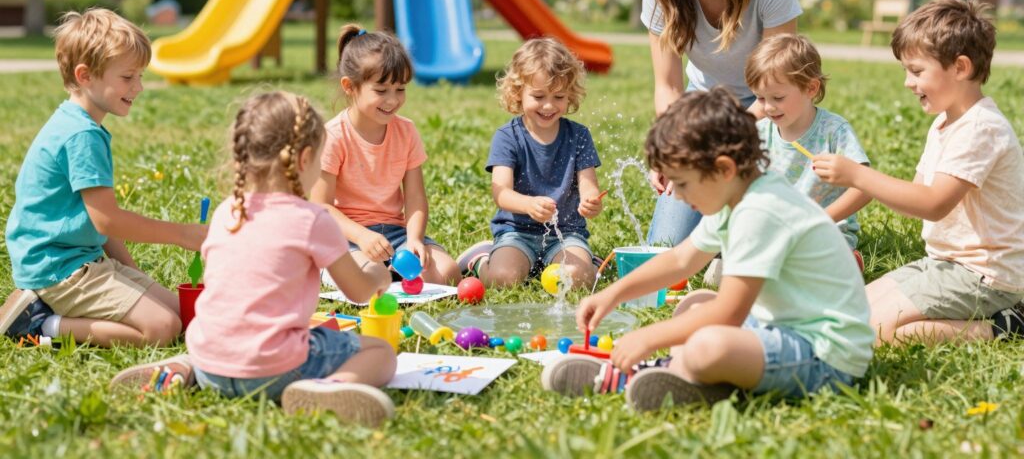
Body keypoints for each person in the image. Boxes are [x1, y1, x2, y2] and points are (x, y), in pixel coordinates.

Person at [541, 87, 873, 411]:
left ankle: (657, 374)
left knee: (707, 345)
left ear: (725, 168)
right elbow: (682, 259)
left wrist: (648, 338)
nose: (680, 196)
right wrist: (613, 293)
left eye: (683, 184)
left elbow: (730, 312)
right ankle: (691, 379)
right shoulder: (738, 194)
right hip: (784, 328)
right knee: (694, 305)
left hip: (825, 356)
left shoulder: (761, 212)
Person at [111, 92, 396, 426]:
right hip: (275, 370)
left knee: (225, 340)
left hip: (211, 364)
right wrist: (379, 277)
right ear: (304, 159)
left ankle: (183, 369)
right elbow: (359, 292)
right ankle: (327, 388)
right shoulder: (313, 218)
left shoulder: (225, 212)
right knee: (380, 353)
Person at [812, 0, 1024, 345]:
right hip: (944, 265)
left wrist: (859, 176)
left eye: (917, 71)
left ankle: (1004, 327)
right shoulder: (945, 122)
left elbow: (933, 203)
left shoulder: (981, 128)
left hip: (985, 277)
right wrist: (858, 181)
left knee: (867, 334)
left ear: (960, 67)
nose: (908, 83)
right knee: (851, 311)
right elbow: (917, 194)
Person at [0, 9, 206, 346]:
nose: (138, 87)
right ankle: (39, 324)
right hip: (59, 272)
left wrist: (133, 274)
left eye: (140, 76)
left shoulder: (83, 125)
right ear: (85, 76)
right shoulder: (80, 136)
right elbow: (108, 220)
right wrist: (182, 234)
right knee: (161, 329)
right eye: (128, 77)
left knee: (183, 317)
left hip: (85, 261)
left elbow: (97, 223)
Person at [641, 0, 802, 248]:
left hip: (772, 109)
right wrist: (674, 145)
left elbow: (779, 85)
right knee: (667, 243)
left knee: (766, 233)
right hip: (704, 111)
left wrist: (719, 142)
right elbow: (668, 86)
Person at [309, 25, 460, 287]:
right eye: (381, 90)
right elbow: (321, 206)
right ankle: (327, 266)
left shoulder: (407, 131)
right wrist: (363, 237)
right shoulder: (333, 136)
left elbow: (414, 198)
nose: (392, 100)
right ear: (349, 86)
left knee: (447, 274)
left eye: (400, 89)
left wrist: (414, 239)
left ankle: (391, 272)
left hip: (395, 235)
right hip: (345, 235)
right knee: (369, 279)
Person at [457, 38, 603, 289]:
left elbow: (589, 185)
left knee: (578, 280)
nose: (548, 105)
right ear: (518, 93)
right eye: (538, 96)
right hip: (517, 231)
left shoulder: (578, 135)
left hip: (565, 233)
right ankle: (481, 258)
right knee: (503, 279)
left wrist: (591, 201)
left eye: (558, 96)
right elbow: (500, 192)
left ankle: (586, 261)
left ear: (570, 95)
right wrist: (529, 204)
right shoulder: (508, 136)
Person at [745, 34, 871, 267]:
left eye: (778, 97)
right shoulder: (760, 132)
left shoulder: (833, 131)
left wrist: (821, 219)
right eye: (760, 98)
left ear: (811, 88)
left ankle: (846, 262)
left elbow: (865, 188)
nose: (768, 107)